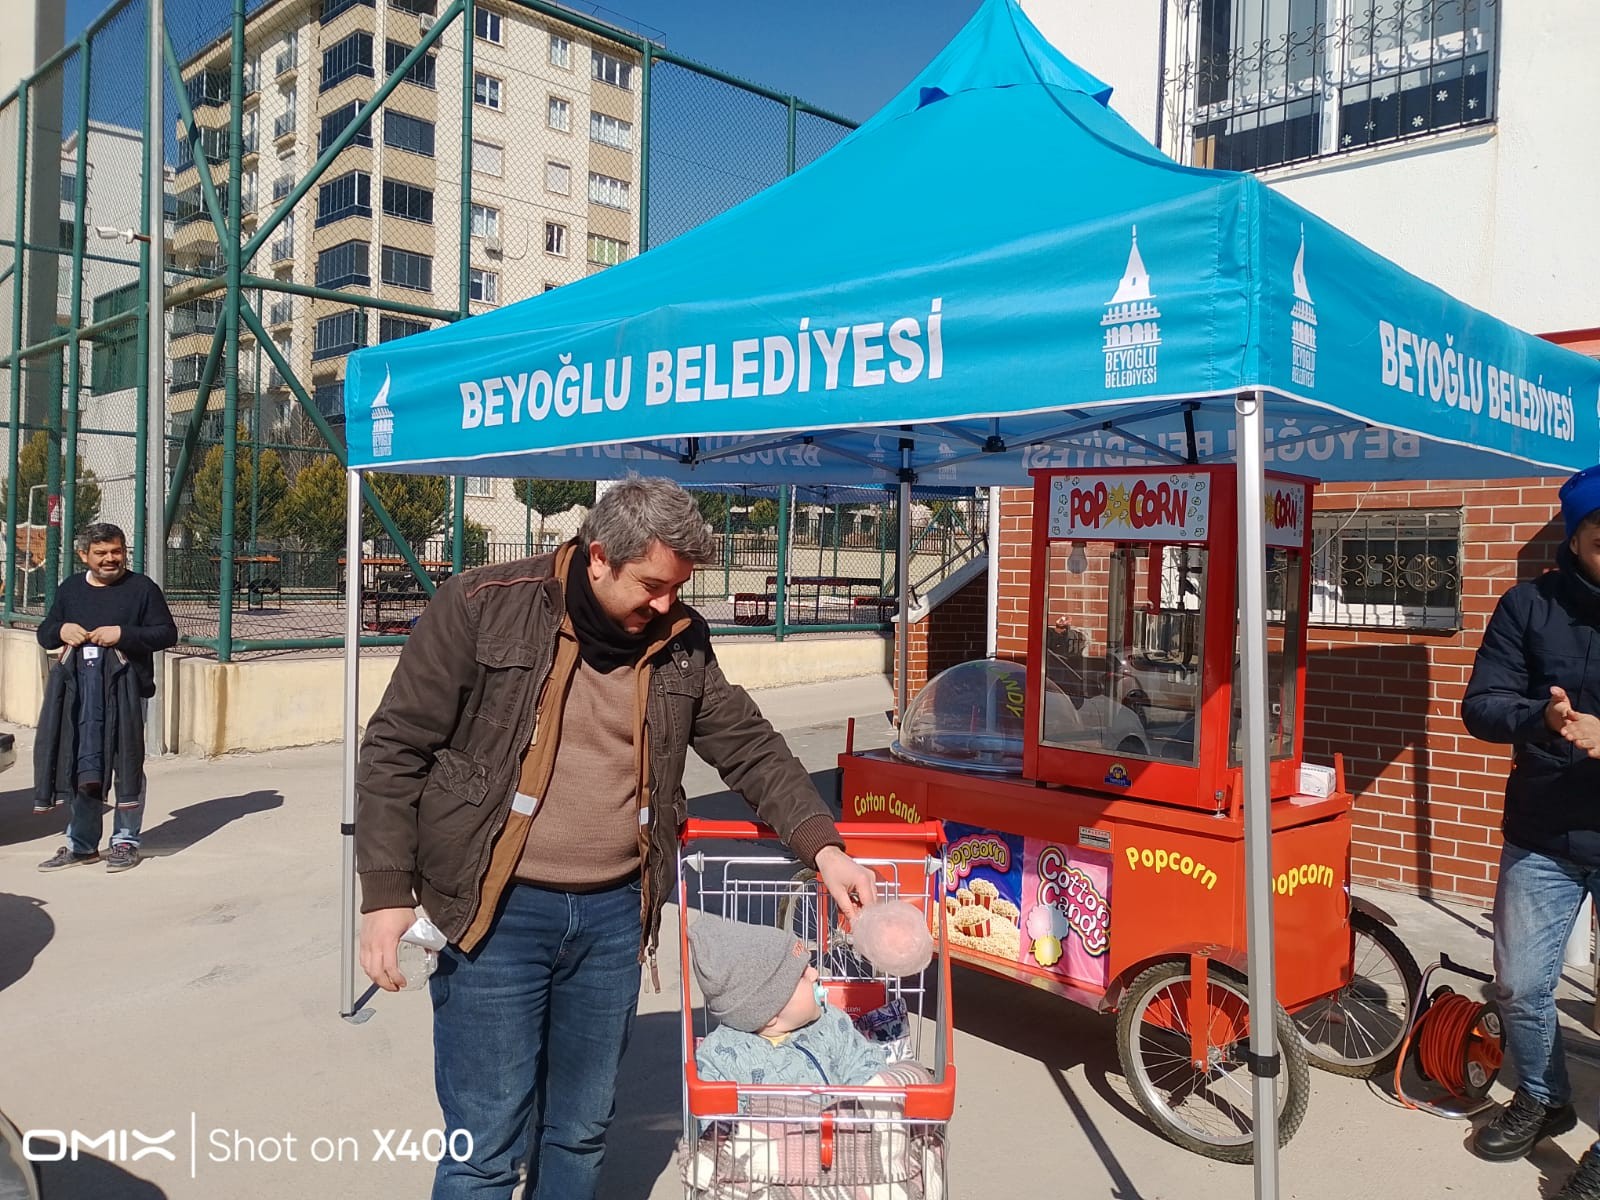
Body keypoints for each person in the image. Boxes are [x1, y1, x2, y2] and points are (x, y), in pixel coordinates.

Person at [356, 474, 878, 1200]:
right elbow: (394, 748)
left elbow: (749, 745)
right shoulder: (482, 604)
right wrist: (385, 893)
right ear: (599, 556)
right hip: (494, 914)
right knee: (486, 1147)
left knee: (580, 1131)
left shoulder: (680, 640)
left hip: (611, 921)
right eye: (653, 586)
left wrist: (824, 847)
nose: (668, 605)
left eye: (678, 588)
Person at [1462, 464, 1600, 1198]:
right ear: (1576, 537)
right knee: (1518, 985)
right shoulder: (1527, 606)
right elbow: (1480, 705)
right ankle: (1545, 1096)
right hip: (1543, 832)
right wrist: (1538, 718)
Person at [34, 522, 176, 875]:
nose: (111, 559)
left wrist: (123, 634)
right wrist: (61, 630)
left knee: (127, 764)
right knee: (84, 765)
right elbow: (45, 633)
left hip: (128, 695)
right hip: (79, 698)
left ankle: (125, 841)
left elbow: (166, 633)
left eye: (117, 551)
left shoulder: (142, 588)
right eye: (101, 553)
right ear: (84, 555)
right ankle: (81, 845)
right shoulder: (70, 590)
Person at [688, 913, 892, 1091]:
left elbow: (866, 1062)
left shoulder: (832, 1023)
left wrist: (854, 1107)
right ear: (768, 1013)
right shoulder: (721, 1056)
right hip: (767, 1134)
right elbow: (720, 1123)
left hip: (840, 1130)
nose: (814, 974)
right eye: (801, 975)